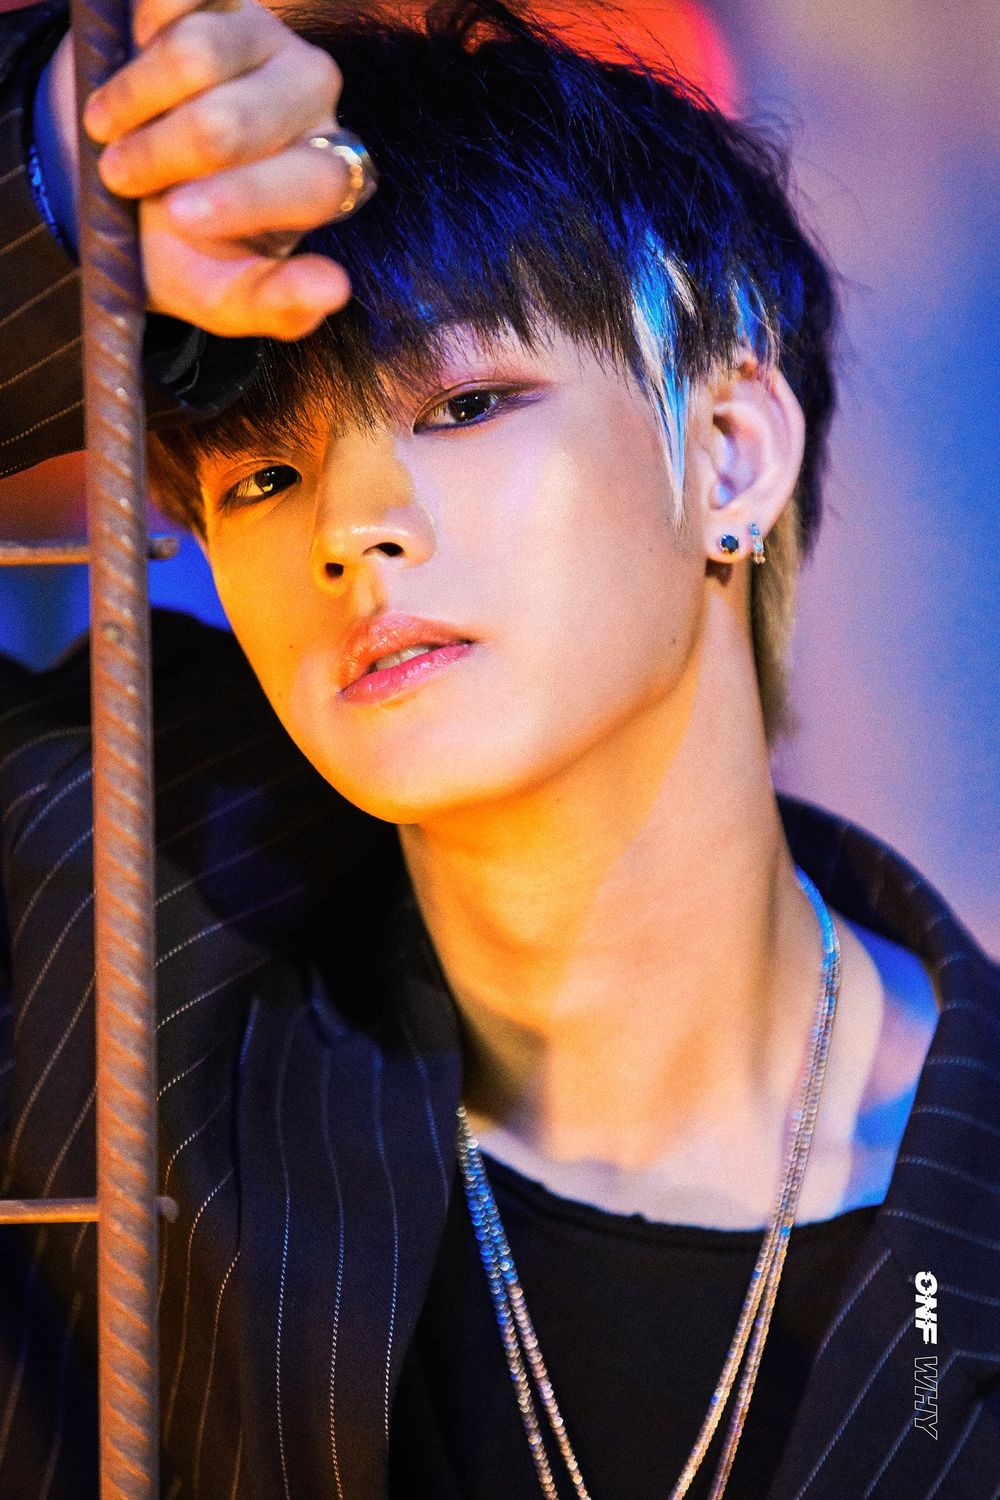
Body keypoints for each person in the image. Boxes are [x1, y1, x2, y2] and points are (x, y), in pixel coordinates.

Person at [0, 2, 997, 1497]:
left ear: (729, 454)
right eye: (265, 476)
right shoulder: (117, 954)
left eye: (465, 404)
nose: (355, 530)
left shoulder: (962, 1208)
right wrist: (59, 179)